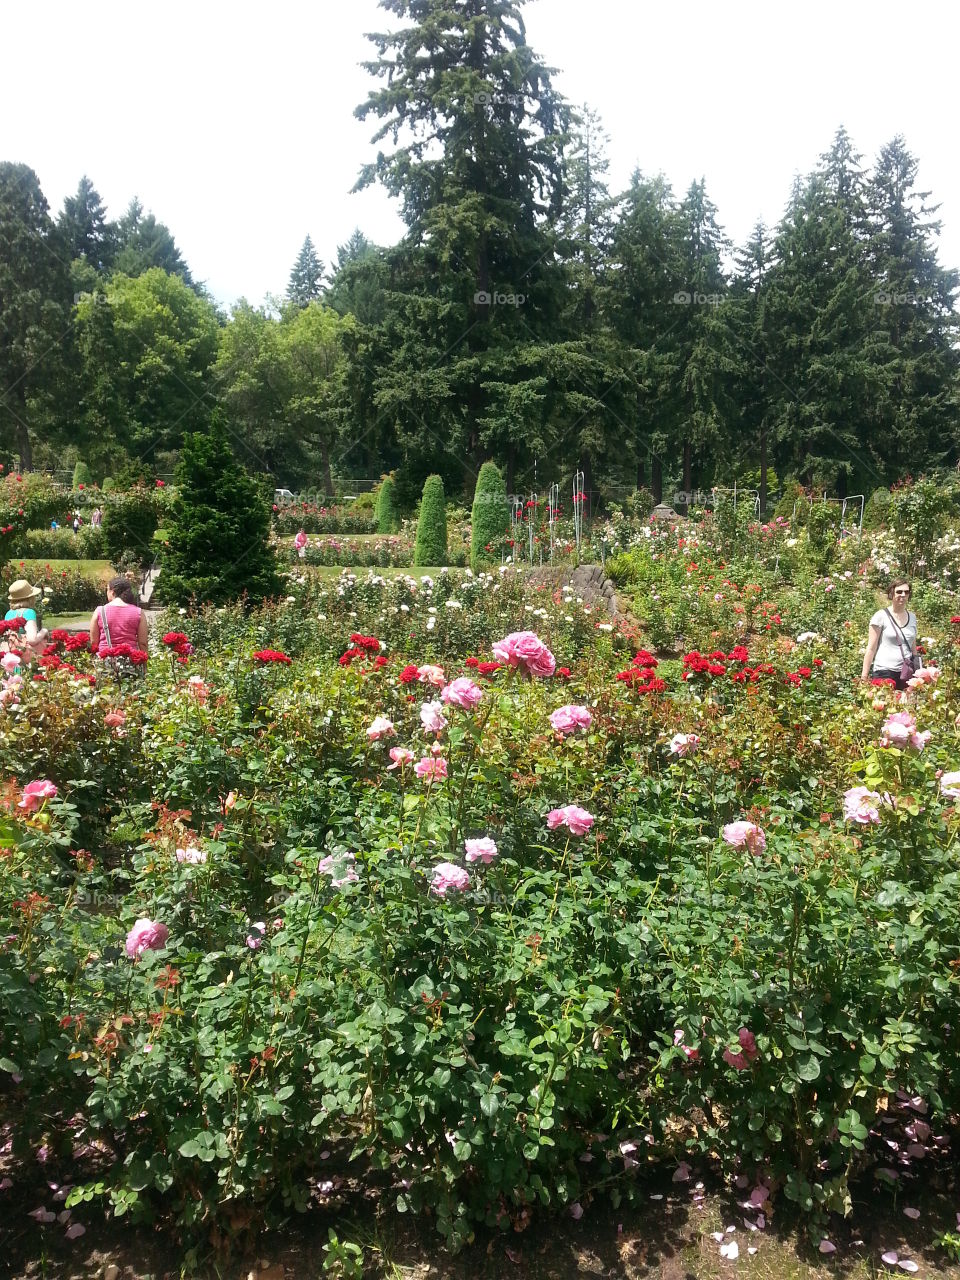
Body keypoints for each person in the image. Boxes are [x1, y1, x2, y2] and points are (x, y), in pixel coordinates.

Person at [861, 580, 918, 690]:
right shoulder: (880, 616)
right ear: (892, 593)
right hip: (884, 671)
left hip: (906, 672)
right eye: (899, 592)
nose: (903, 595)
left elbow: (913, 648)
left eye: (906, 592)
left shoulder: (912, 617)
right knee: (884, 704)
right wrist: (864, 676)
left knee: (906, 706)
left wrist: (918, 672)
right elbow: (871, 649)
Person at [90, 576, 148, 657]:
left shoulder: (99, 611)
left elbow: (94, 642)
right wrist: (144, 665)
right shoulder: (138, 612)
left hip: (105, 659)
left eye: (107, 590)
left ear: (112, 592)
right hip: (129, 660)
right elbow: (143, 643)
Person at [3, 579, 50, 654]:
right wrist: (44, 631)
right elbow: (32, 640)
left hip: (12, 655)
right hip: (26, 657)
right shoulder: (29, 613)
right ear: (30, 598)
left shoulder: (8, 614)